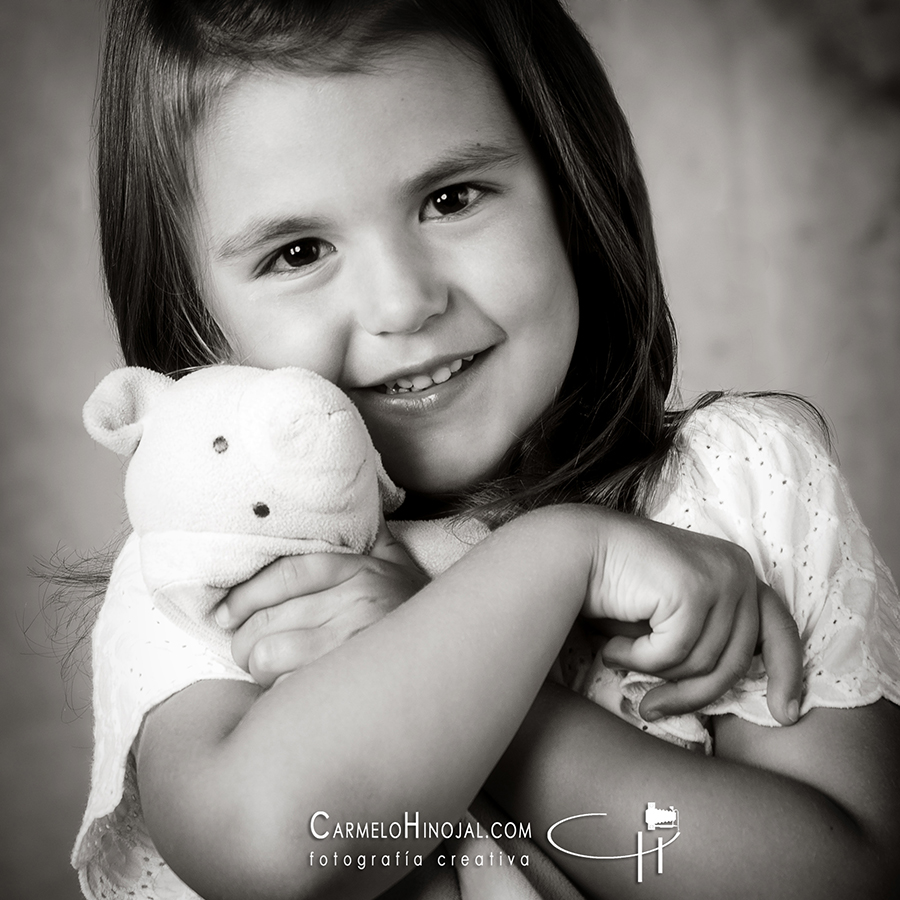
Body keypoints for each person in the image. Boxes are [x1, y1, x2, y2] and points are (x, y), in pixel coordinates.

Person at [71, 1, 900, 899]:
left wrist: (456, 659)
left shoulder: (738, 480)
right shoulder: (215, 565)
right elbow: (276, 848)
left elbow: (839, 878)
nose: (403, 303)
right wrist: (556, 564)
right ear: (195, 316)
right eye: (299, 251)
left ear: (569, 185)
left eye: (451, 198)